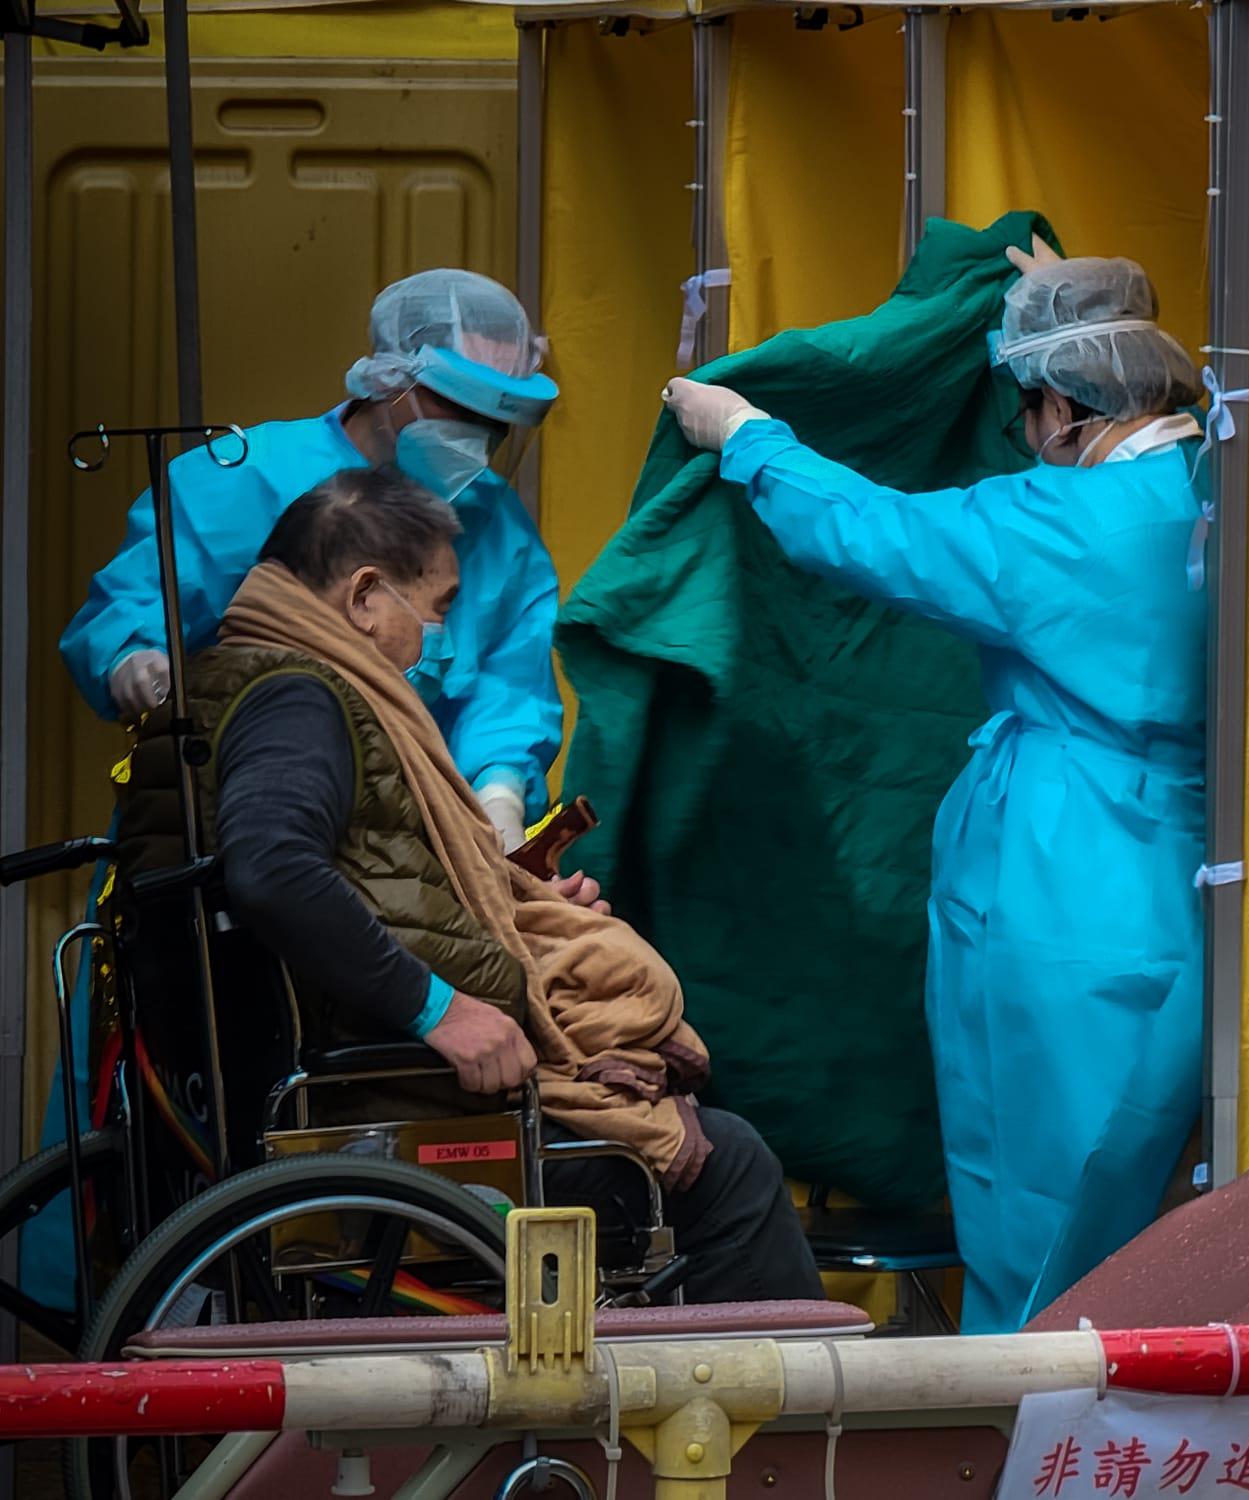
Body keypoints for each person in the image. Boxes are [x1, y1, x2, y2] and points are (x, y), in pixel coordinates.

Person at [662, 238, 1208, 1332]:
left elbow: (873, 532)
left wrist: (751, 440)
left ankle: (1023, 1438)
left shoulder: (1060, 523)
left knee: (1036, 1188)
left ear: (1058, 399)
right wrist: (1075, 301)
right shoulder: (1225, 484)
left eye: (1028, 407)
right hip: (1184, 872)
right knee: (1147, 1185)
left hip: (1062, 879)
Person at [118, 468, 822, 1304]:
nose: (436, 639)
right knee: (728, 1161)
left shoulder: (232, 684)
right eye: (438, 607)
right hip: (382, 1104)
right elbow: (274, 870)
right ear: (366, 596)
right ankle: (781, 1429)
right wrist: (440, 1010)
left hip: (329, 1081)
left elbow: (372, 881)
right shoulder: (299, 701)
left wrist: (518, 905)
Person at [62, 267, 564, 849]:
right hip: (240, 816)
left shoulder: (498, 527)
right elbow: (130, 604)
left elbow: (511, 683)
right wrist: (133, 659)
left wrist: (499, 791)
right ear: (389, 380)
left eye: (496, 423)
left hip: (420, 835)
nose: (478, 438)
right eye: (460, 409)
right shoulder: (242, 478)